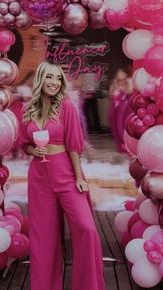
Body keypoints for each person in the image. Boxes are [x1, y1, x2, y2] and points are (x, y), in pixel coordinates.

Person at [19, 61, 105, 290]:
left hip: (65, 173)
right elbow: (23, 144)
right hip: (38, 177)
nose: (54, 83)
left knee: (86, 228)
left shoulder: (66, 106)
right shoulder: (28, 109)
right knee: (44, 239)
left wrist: (79, 178)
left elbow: (74, 146)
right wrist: (32, 150)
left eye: (58, 79)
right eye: (50, 77)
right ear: (40, 79)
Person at [108, 67, 133, 152]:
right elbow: (110, 95)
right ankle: (120, 144)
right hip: (114, 106)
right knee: (114, 126)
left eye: (122, 78)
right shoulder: (114, 84)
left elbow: (130, 92)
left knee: (120, 125)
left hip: (123, 107)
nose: (120, 80)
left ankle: (125, 143)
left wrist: (123, 90)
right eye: (119, 78)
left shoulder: (128, 83)